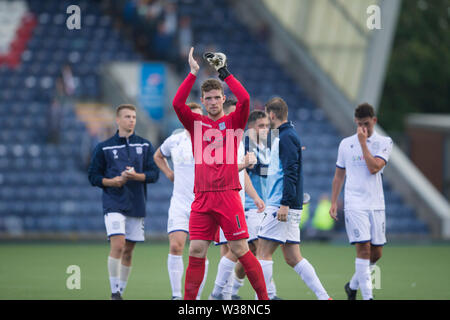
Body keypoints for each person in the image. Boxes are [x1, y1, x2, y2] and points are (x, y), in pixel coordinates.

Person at [172, 47, 268, 300]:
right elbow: (177, 103)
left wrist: (224, 72)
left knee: (240, 249)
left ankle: (264, 300)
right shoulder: (195, 124)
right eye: (208, 98)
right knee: (195, 250)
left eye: (217, 97)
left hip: (227, 196)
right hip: (202, 197)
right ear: (202, 101)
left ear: (223, 98)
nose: (213, 102)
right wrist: (192, 73)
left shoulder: (234, 121)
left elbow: (246, 99)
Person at [257, 97, 331, 300]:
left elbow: (291, 172)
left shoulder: (286, 137)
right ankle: (324, 297)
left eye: (266, 114)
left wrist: (285, 204)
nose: (266, 118)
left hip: (281, 205)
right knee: (292, 257)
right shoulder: (286, 136)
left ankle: (262, 300)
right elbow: (282, 168)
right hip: (286, 204)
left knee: (262, 253)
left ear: (272, 114)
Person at [88, 104, 159, 300]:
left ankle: (120, 291)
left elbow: (154, 175)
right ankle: (114, 293)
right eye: (127, 117)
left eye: (134, 117)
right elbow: (93, 176)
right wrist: (112, 181)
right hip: (113, 201)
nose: (132, 120)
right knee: (118, 245)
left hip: (136, 203)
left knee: (128, 251)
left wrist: (137, 176)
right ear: (117, 120)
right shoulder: (104, 147)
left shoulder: (145, 145)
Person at [329, 103, 393, 300]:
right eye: (359, 125)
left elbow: (374, 167)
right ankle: (368, 297)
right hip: (355, 203)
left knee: (377, 253)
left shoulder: (385, 142)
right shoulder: (346, 144)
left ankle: (352, 285)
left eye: (366, 124)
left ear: (374, 121)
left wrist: (363, 143)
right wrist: (333, 202)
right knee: (363, 249)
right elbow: (339, 175)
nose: (363, 129)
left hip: (376, 204)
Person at [208, 105, 267, 300]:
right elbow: (220, 172)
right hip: (224, 202)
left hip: (238, 202)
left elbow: (244, 176)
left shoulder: (240, 142)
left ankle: (226, 294)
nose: (236, 118)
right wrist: (244, 163)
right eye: (232, 113)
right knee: (233, 251)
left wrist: (255, 197)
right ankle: (220, 294)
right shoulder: (218, 140)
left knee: (240, 251)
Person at [153, 102, 209, 300]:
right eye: (192, 115)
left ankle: (196, 296)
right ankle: (177, 296)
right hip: (180, 203)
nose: (196, 119)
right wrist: (169, 173)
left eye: (199, 116)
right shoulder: (174, 140)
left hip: (203, 204)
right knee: (176, 246)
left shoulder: (209, 141)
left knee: (199, 252)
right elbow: (158, 156)